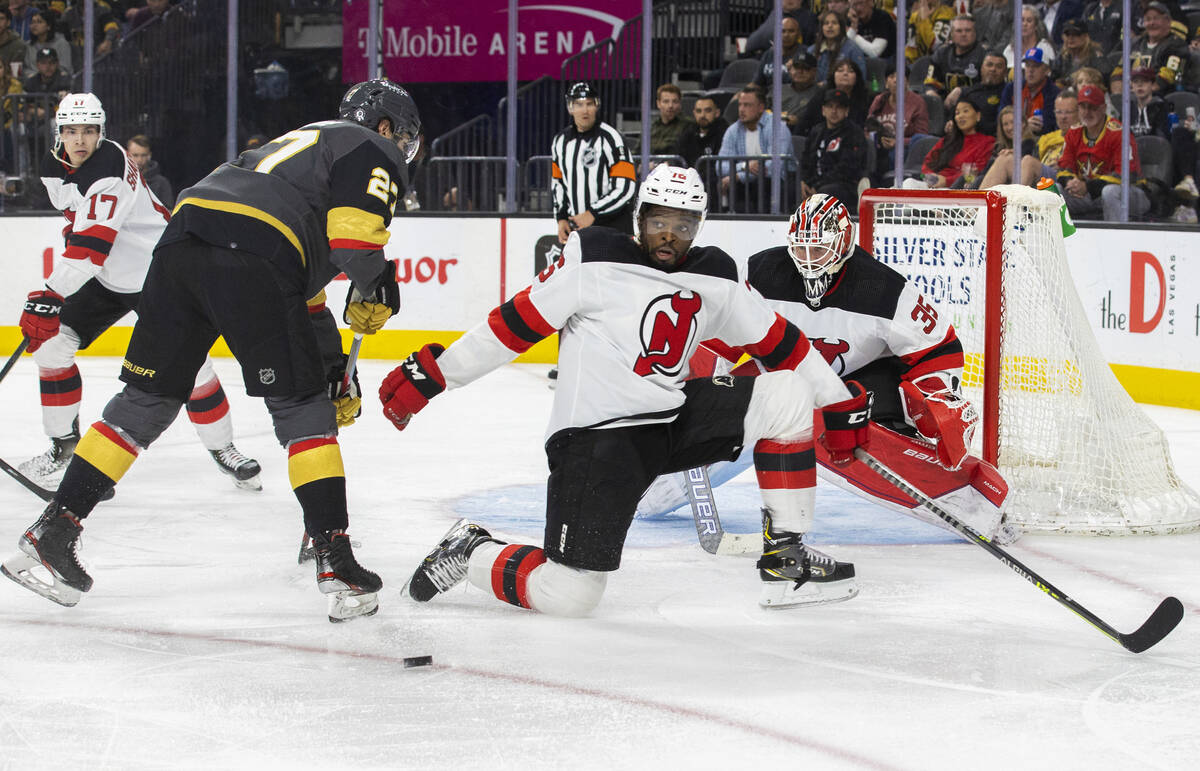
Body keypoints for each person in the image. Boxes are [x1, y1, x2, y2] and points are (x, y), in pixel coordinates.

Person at [0, 79, 419, 621]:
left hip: (183, 239)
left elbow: (307, 298)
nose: (400, 150)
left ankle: (52, 533)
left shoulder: (302, 149)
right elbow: (356, 242)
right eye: (401, 138)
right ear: (385, 126)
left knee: (145, 398)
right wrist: (380, 286)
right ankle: (334, 556)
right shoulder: (369, 146)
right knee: (302, 409)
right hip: (254, 249)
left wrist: (334, 362)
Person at [387, 164, 864, 614]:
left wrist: (839, 404)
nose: (668, 236)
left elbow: (784, 344)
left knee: (785, 394)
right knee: (571, 594)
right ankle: (470, 550)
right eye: (658, 221)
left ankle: (786, 557)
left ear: (700, 225)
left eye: (683, 225)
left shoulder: (715, 276)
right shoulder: (592, 255)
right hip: (596, 442)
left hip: (670, 423)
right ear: (639, 217)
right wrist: (432, 377)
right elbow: (513, 325)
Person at [634, 195, 1012, 546]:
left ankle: (975, 504)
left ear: (844, 243)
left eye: (818, 248)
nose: (808, 259)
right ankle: (643, 487)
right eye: (800, 247)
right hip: (782, 377)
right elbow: (725, 330)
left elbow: (938, 348)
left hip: (861, 383)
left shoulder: (884, 288)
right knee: (736, 408)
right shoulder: (763, 270)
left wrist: (936, 396)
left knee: (835, 426)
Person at [14, 93, 260, 495]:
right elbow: (79, 224)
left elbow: (90, 248)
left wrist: (50, 295)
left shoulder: (110, 166)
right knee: (52, 346)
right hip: (107, 275)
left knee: (193, 367)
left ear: (102, 133)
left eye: (89, 131)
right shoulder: (51, 166)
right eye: (72, 131)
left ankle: (224, 448)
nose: (80, 140)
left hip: (158, 273)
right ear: (58, 133)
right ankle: (64, 447)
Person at [551, 82, 636, 245]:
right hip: (577, 229)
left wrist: (594, 213)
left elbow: (625, 187)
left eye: (589, 104)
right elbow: (558, 183)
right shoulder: (560, 141)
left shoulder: (612, 138)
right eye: (579, 104)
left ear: (597, 106)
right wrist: (561, 218)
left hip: (613, 228)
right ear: (570, 108)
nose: (584, 110)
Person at [1056, 83, 1149, 220]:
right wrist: (1071, 183)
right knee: (1054, 189)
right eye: (1083, 107)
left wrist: (1087, 186)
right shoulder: (1073, 132)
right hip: (1088, 194)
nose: (1087, 112)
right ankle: (1060, 239)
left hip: (1130, 195)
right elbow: (1064, 167)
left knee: (1109, 192)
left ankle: (1116, 238)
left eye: (1092, 107)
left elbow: (1125, 176)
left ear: (1103, 108)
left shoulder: (1119, 133)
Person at [717, 84, 795, 213]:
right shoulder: (733, 130)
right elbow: (720, 166)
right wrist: (744, 166)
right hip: (749, 183)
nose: (741, 109)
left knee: (762, 184)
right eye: (740, 105)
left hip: (780, 182)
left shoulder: (777, 127)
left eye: (747, 105)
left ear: (760, 107)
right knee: (726, 184)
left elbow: (774, 167)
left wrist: (738, 176)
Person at [906, 97, 995, 188]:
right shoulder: (948, 140)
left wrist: (946, 181)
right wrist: (929, 177)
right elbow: (927, 163)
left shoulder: (987, 142)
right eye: (957, 113)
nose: (960, 116)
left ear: (978, 116)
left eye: (965, 111)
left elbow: (977, 172)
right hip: (932, 184)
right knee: (908, 183)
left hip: (958, 187)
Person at [800, 88, 866, 207]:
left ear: (846, 111)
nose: (834, 111)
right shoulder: (816, 131)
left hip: (844, 186)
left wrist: (817, 186)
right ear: (823, 110)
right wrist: (804, 181)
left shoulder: (854, 133)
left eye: (839, 107)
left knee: (825, 194)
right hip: (816, 184)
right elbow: (806, 159)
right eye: (830, 106)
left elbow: (846, 168)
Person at [866, 62, 931, 177]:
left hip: (903, 150)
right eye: (891, 77)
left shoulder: (917, 102)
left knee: (895, 153)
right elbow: (869, 127)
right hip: (879, 148)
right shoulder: (879, 100)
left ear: (908, 82)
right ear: (886, 83)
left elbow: (922, 139)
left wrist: (898, 142)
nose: (896, 80)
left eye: (900, 76)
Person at [925, 15, 986, 109]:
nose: (964, 34)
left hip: (974, 106)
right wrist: (931, 92)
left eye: (968, 30)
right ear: (952, 34)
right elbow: (931, 81)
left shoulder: (985, 55)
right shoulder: (941, 53)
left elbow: (988, 87)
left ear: (975, 33)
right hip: (945, 105)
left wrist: (962, 90)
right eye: (959, 31)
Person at [977, 104, 1044, 188]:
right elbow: (986, 173)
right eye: (1005, 124)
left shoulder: (1032, 142)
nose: (1010, 127)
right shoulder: (999, 147)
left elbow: (1028, 161)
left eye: (1013, 122)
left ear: (1023, 123)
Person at [1000, 47, 1061, 138]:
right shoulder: (1012, 88)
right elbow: (1002, 115)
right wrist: (1025, 126)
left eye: (1036, 66)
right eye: (1028, 65)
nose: (1031, 70)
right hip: (1011, 137)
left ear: (1047, 70)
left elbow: (1050, 124)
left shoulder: (1054, 93)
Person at [1130, 2, 1190, 94]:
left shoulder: (1177, 45)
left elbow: (1168, 76)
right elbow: (1119, 72)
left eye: (1156, 18)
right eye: (1148, 19)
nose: (1152, 23)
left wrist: (1140, 93)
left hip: (1162, 98)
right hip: (1134, 96)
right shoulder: (1136, 43)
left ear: (1168, 22)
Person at [810, 10, 866, 85]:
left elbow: (860, 78)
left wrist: (825, 84)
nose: (830, 26)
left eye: (834, 23)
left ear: (841, 27)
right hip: (814, 91)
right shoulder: (812, 49)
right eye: (826, 23)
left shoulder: (852, 49)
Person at [959, 50, 1009, 134]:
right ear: (981, 68)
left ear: (1005, 72)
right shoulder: (969, 92)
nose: (993, 69)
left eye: (999, 66)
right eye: (989, 65)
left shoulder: (1009, 92)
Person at [674, 93, 728, 168]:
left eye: (708, 111)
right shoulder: (687, 132)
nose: (702, 115)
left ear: (717, 113)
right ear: (694, 113)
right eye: (699, 111)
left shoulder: (725, 133)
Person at [1053, 18, 1111, 83]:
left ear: (1085, 36)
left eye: (1075, 34)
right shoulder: (1063, 54)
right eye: (1068, 34)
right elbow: (1054, 74)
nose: (1070, 38)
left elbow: (1104, 76)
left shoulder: (1095, 53)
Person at [754, 14, 805, 88]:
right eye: (782, 31)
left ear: (798, 34)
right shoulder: (769, 54)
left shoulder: (805, 53)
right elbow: (757, 82)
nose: (786, 35)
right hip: (768, 95)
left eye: (791, 31)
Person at [778, 51, 822, 132]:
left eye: (805, 68)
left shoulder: (820, 94)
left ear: (814, 71)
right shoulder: (778, 89)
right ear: (790, 70)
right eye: (796, 67)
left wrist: (800, 121)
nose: (799, 71)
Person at [125, 134, 172, 207]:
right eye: (135, 155)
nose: (139, 160)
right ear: (127, 155)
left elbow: (168, 212)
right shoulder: (121, 180)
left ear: (149, 155)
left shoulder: (162, 183)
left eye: (143, 155)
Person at [648, 83, 694, 155]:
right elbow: (637, 152)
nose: (670, 106)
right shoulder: (650, 128)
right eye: (666, 101)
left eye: (675, 102)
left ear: (680, 104)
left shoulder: (688, 125)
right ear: (658, 104)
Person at [21, 8, 69, 77]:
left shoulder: (61, 43)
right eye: (32, 22)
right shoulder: (28, 45)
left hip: (57, 82)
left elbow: (65, 69)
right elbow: (25, 68)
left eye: (39, 22)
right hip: (33, 82)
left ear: (49, 26)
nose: (34, 25)